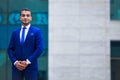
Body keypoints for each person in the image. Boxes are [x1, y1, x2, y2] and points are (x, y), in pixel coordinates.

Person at [7, 8, 44, 80]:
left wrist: (27, 62)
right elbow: (10, 49)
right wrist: (15, 62)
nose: (25, 17)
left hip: (31, 66)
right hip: (16, 68)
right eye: (23, 15)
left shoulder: (37, 31)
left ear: (31, 18)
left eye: (28, 15)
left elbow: (40, 49)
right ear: (20, 18)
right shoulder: (15, 32)